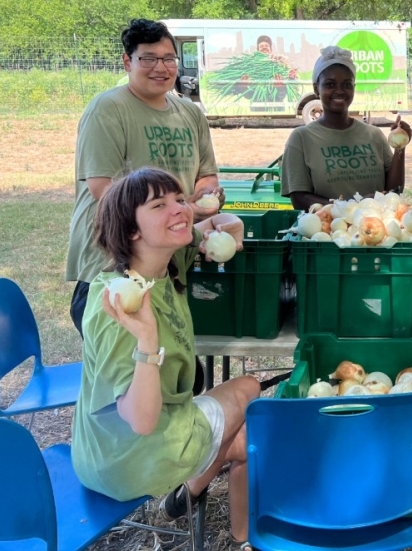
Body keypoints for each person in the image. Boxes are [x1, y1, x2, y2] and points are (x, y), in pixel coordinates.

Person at [72, 167, 259, 548]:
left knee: (244, 422)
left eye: (179, 199)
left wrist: (216, 235)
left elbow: (233, 223)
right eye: (160, 205)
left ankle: (200, 501)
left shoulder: (165, 264)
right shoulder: (119, 307)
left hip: (124, 446)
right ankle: (229, 527)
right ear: (131, 231)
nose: (180, 209)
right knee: (251, 407)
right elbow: (140, 421)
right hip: (128, 460)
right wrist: (146, 340)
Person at [66, 18, 224, 337]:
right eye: (148, 59)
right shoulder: (108, 109)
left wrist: (204, 200)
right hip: (114, 264)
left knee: (169, 370)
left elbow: (206, 177)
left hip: (164, 263)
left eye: (168, 59)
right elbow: (104, 190)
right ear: (128, 61)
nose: (160, 68)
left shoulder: (190, 113)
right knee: (125, 375)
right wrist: (179, 213)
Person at [281, 46, 411, 209]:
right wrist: (352, 206)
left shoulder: (374, 135)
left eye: (347, 85)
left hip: (375, 230)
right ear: (316, 88)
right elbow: (299, 200)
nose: (339, 91)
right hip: (327, 232)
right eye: (330, 84)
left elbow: (393, 191)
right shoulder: (301, 138)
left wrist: (400, 147)